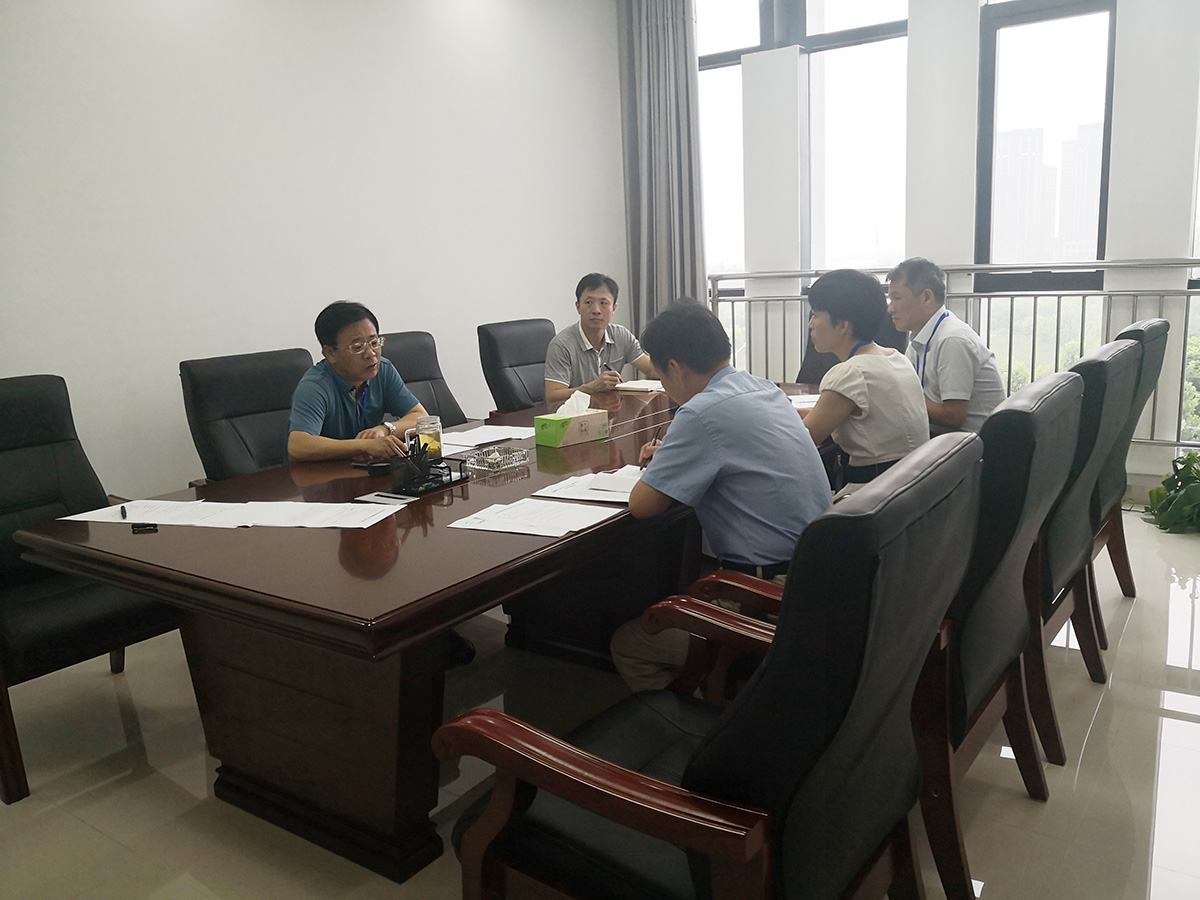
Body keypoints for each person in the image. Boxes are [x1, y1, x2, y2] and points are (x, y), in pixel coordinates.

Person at [611, 299, 832, 692]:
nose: (666, 389)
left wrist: (672, 459)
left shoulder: (699, 412)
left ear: (675, 367)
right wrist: (676, 456)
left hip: (766, 597)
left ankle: (700, 717)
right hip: (817, 579)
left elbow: (642, 506)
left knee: (630, 644)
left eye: (662, 377)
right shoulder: (763, 388)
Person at [800, 269, 929, 497]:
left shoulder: (851, 373)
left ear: (843, 325)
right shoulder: (896, 358)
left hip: (871, 496)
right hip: (909, 489)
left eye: (816, 315)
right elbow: (828, 415)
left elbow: (804, 439)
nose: (811, 324)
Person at [288, 300, 427, 462]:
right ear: (330, 353)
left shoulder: (383, 370)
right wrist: (364, 445)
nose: (371, 354)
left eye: (374, 343)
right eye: (357, 347)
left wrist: (385, 429)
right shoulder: (314, 387)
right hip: (319, 473)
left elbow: (420, 417)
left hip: (364, 469)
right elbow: (298, 445)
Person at [887, 257, 1006, 434]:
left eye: (897, 298)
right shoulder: (920, 340)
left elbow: (953, 416)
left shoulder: (952, 339)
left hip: (972, 443)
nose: (891, 308)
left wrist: (898, 402)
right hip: (947, 436)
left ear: (926, 297)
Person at [543, 273, 656, 405]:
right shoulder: (561, 345)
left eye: (603, 303)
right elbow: (552, 396)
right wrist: (591, 387)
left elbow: (652, 369)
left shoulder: (621, 336)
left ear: (614, 308)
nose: (596, 310)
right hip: (573, 414)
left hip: (610, 410)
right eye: (589, 303)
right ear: (578, 307)